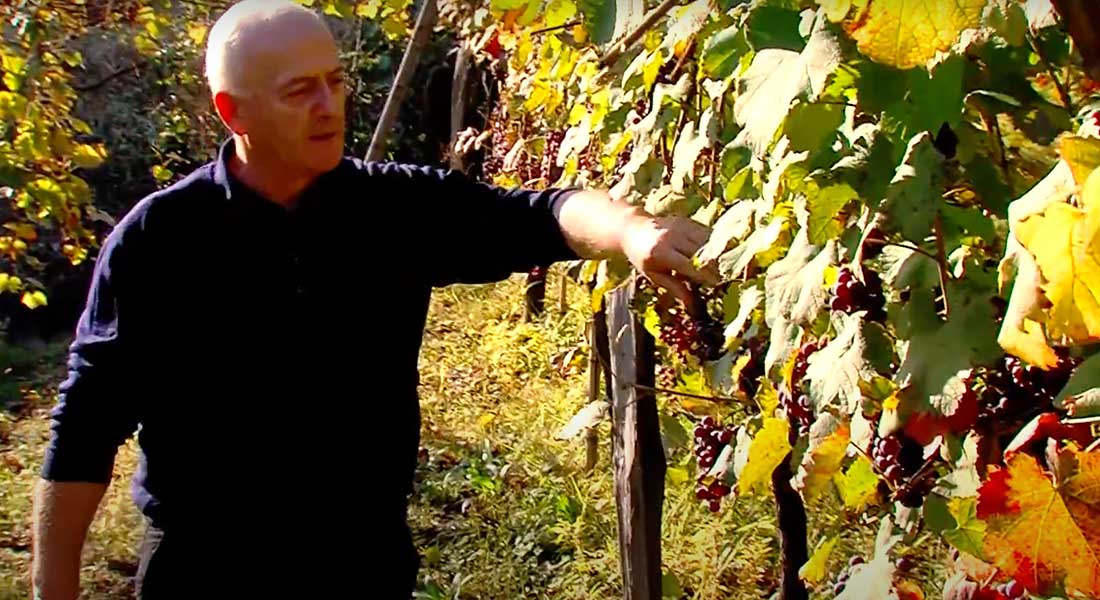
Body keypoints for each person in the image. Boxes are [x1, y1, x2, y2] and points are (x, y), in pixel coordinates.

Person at [30, 1, 717, 598]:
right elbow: (86, 426)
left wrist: (630, 229)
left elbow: (541, 214)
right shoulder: (159, 240)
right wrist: (51, 590)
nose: (331, 106)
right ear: (232, 111)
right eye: (301, 91)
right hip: (203, 571)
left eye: (335, 81)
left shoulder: (393, 207)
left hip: (363, 564)